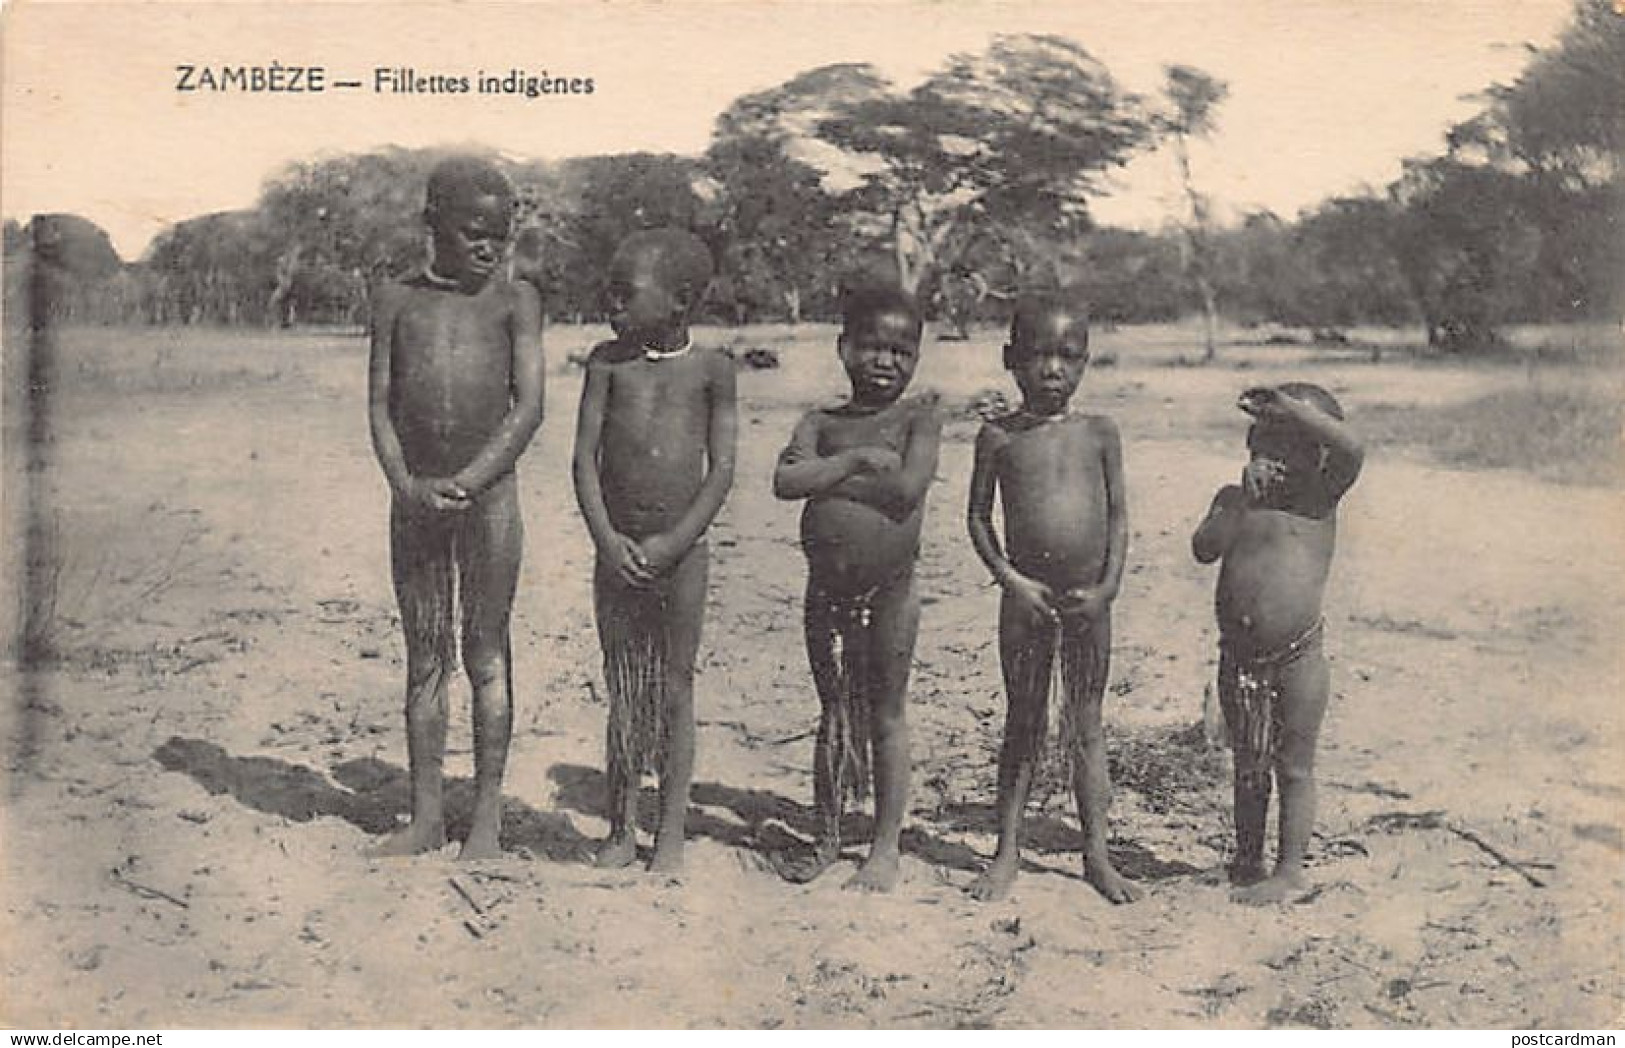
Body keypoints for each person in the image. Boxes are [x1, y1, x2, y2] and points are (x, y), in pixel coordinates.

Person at [366, 156, 545, 859]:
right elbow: (379, 406)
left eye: (499, 236)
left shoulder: (515, 301)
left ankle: (488, 820)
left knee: (486, 653)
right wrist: (405, 483)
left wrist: (472, 478)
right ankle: (426, 816)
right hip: (414, 501)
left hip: (489, 499)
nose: (488, 247)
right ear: (431, 223)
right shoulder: (394, 300)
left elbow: (528, 408)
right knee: (424, 658)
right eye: (473, 232)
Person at [571, 228, 737, 876]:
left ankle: (668, 833)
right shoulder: (604, 364)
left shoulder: (713, 371)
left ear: (677, 303)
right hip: (614, 554)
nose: (610, 303)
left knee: (673, 687)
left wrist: (676, 539)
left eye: (624, 293)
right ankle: (619, 827)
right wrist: (605, 539)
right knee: (622, 689)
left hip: (682, 554)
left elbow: (721, 469)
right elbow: (583, 459)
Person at [964, 291, 1138, 903]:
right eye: (1039, 355)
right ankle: (1006, 851)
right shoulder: (998, 437)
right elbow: (979, 521)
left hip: (1090, 601)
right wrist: (1011, 580)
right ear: (1011, 359)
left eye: (1069, 356)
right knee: (1023, 722)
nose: (1053, 369)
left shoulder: (1100, 434)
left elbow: (1118, 519)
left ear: (1087, 361)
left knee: (1087, 725)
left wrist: (1108, 588)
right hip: (1025, 601)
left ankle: (1097, 855)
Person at [771, 282, 941, 892]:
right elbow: (785, 482)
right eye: (871, 347)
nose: (885, 361)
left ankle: (886, 845)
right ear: (844, 349)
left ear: (916, 358)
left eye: (901, 351)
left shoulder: (919, 419)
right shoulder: (820, 422)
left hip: (891, 593)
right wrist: (852, 462)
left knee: (887, 714)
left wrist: (826, 480)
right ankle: (827, 835)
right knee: (834, 713)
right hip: (826, 593)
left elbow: (904, 492)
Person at [1191, 381, 1363, 904]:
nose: (1275, 463)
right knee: (1248, 763)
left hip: (1298, 657)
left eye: (1291, 448)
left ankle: (1289, 871)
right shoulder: (1234, 499)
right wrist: (1237, 504)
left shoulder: (1317, 501)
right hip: (1239, 658)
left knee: (1293, 766)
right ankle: (1247, 861)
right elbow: (1203, 549)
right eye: (1266, 447)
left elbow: (1355, 449)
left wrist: (1290, 409)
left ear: (1318, 457)